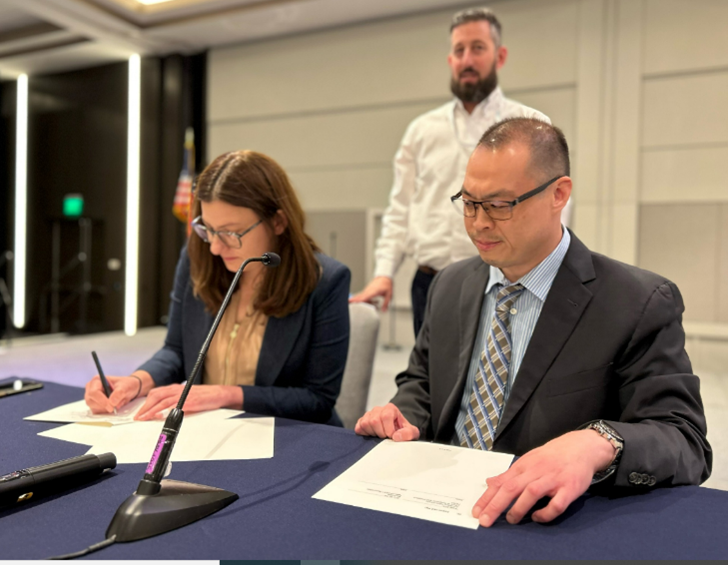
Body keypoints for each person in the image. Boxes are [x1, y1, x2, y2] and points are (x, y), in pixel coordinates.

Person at [355, 118, 711, 526]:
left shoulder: (636, 302)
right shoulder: (450, 284)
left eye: (500, 205)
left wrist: (598, 442)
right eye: (469, 202)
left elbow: (685, 443)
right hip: (435, 506)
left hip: (539, 522)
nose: (479, 223)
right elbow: (422, 383)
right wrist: (402, 415)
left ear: (558, 194)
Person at [85, 150, 351, 425]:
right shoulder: (197, 259)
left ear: (278, 222)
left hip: (286, 437)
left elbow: (317, 400)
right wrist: (137, 381)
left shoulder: (325, 280)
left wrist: (225, 395)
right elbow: (176, 350)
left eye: (231, 233)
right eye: (208, 229)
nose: (214, 247)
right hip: (204, 428)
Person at [350, 7, 555, 337]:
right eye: (459, 50)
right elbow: (400, 210)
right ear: (450, 60)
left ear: (499, 56)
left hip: (504, 282)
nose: (467, 59)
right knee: (434, 383)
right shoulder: (422, 130)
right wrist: (384, 272)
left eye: (477, 48)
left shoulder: (530, 126)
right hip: (430, 284)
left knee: (500, 381)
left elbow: (551, 210)